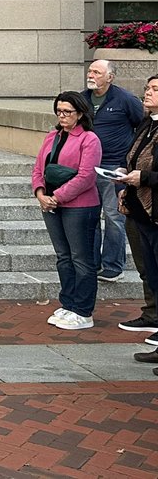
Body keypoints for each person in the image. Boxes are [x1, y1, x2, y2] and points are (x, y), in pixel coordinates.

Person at [33, 92, 103, 331]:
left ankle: (83, 310)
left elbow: (86, 176)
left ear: (80, 114)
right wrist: (40, 193)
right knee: (63, 257)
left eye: (67, 112)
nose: (62, 116)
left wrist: (57, 197)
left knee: (81, 259)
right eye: (59, 111)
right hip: (51, 205)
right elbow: (38, 168)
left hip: (79, 207)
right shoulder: (52, 136)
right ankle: (69, 303)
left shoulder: (89, 139)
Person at [83, 59, 144, 282]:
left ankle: (113, 266)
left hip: (114, 166)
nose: (91, 75)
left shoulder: (126, 99)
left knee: (113, 216)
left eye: (97, 72)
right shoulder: (83, 98)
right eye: (90, 71)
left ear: (110, 77)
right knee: (89, 216)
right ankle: (91, 263)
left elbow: (141, 126)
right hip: (88, 167)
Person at [117, 74, 158, 369]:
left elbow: (148, 171)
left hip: (156, 213)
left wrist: (143, 178)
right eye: (147, 88)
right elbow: (135, 158)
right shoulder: (148, 123)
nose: (147, 92)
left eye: (155, 89)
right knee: (153, 277)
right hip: (140, 212)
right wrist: (126, 180)